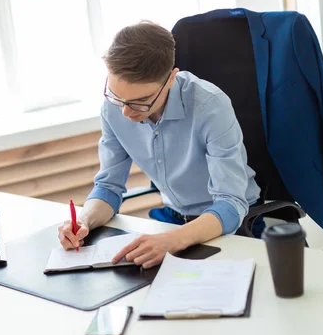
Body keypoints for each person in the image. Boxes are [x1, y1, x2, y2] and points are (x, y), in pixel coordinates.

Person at [58, 20, 264, 269]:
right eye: (117, 96)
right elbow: (108, 188)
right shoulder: (113, 109)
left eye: (141, 101)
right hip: (171, 221)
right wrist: (84, 221)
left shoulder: (210, 106)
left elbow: (231, 204)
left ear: (171, 79)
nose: (125, 112)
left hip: (232, 226)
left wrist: (170, 241)